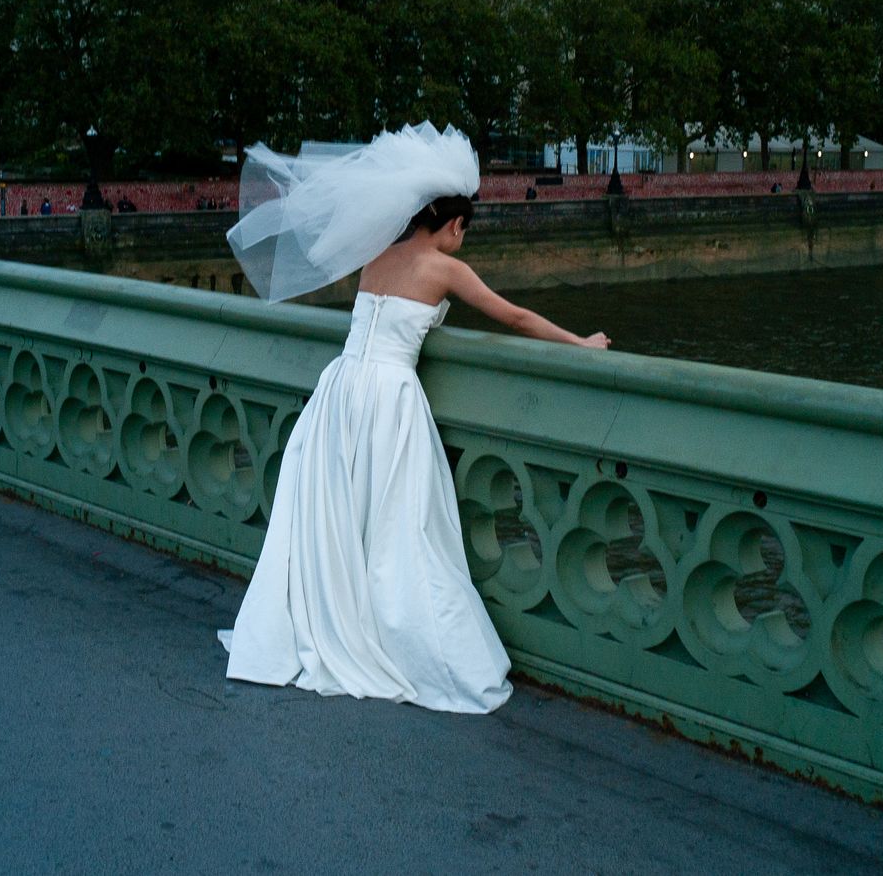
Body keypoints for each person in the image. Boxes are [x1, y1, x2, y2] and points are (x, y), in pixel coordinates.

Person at [220, 123, 608, 715]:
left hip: (341, 389)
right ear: (451, 223)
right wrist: (580, 343)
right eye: (463, 231)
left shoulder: (375, 252)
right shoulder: (443, 269)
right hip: (391, 399)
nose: (462, 243)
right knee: (403, 528)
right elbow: (518, 318)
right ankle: (401, 641)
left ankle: (332, 623)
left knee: (341, 517)